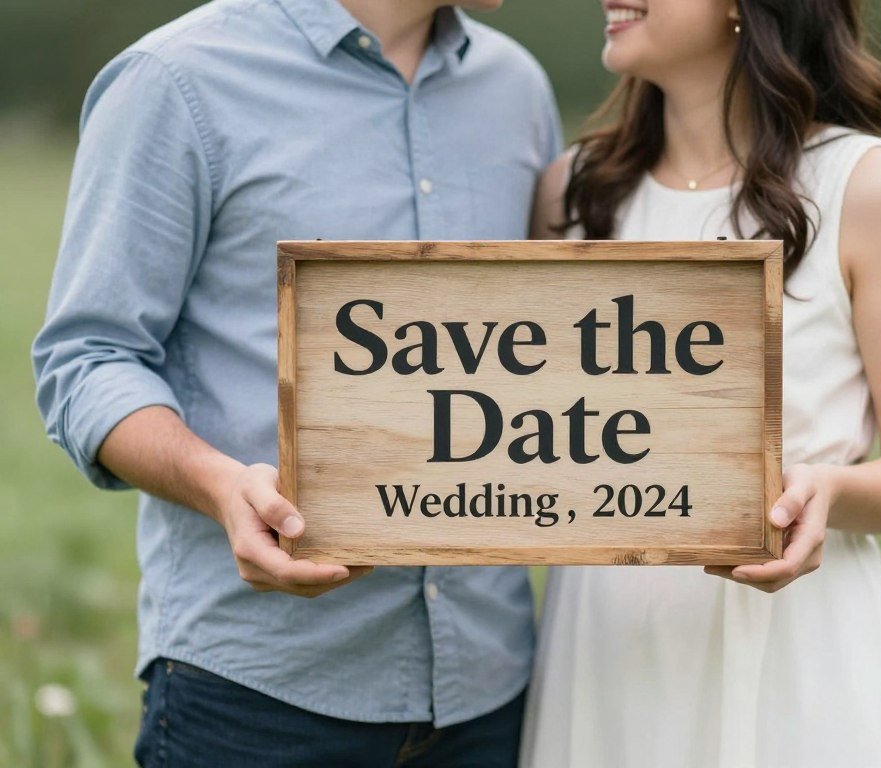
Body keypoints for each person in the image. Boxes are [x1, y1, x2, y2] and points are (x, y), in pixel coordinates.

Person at [32, 0, 561, 765]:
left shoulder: (516, 86)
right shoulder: (177, 80)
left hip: (490, 689)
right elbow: (87, 357)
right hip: (257, 701)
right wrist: (219, 484)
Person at [522, 0, 881, 766]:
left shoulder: (867, 187)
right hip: (604, 646)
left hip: (795, 635)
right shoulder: (574, 193)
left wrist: (825, 490)